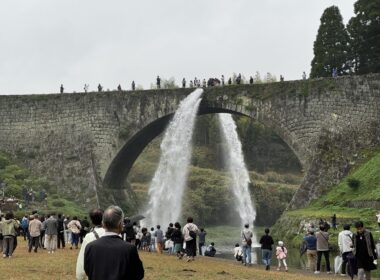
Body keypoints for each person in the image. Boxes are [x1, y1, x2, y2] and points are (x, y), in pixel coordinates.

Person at [84, 205, 144, 280]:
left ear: (103, 224)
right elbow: (139, 274)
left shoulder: (90, 246)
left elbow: (87, 271)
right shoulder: (129, 249)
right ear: (120, 225)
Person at [76, 209, 105, 280]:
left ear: (91, 221)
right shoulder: (114, 234)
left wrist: (80, 276)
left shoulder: (89, 236)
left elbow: (83, 257)